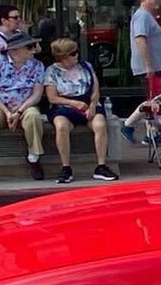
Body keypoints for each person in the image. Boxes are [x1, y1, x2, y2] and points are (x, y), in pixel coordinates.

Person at [0, 30, 48, 183]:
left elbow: (37, 94)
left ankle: (34, 158)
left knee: (33, 117)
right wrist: (6, 112)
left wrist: (19, 111)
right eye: (30, 47)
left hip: (26, 105)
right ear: (15, 50)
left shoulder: (37, 65)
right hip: (0, 105)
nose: (34, 49)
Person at [42, 38, 117, 183]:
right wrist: (73, 103)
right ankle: (66, 168)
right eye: (73, 53)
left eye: (76, 52)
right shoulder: (52, 71)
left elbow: (95, 90)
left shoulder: (86, 66)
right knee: (62, 126)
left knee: (100, 124)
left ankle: (101, 166)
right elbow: (52, 98)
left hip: (88, 103)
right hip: (64, 106)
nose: (76, 55)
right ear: (62, 57)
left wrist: (93, 105)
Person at [130, 0, 161, 99]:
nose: (159, 0)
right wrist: (148, 66)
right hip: (150, 69)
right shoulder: (142, 16)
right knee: (153, 101)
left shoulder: (147, 16)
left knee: (156, 101)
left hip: (155, 67)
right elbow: (140, 39)